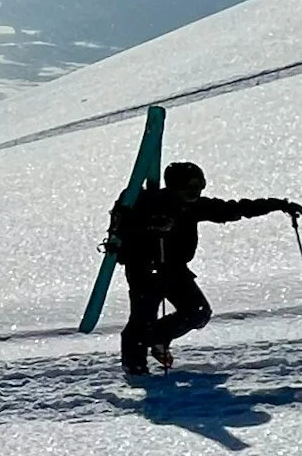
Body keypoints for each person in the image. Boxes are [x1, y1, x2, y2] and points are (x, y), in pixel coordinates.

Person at [112, 161, 301, 375]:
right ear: (174, 186)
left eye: (199, 186)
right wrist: (150, 226)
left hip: (175, 269)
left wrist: (279, 205)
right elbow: (126, 228)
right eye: (189, 187)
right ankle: (135, 368)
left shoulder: (195, 206)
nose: (195, 192)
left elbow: (236, 208)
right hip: (144, 270)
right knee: (142, 319)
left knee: (198, 313)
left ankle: (157, 338)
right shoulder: (148, 202)